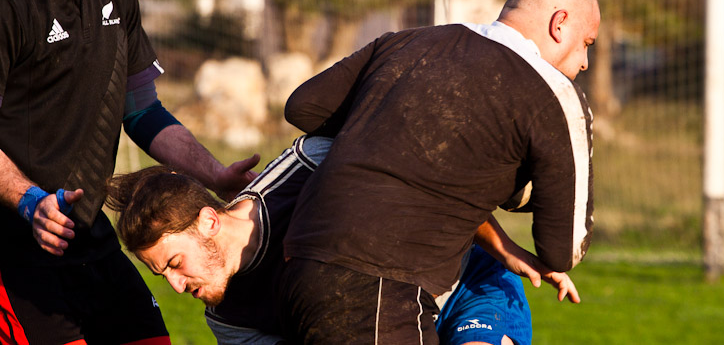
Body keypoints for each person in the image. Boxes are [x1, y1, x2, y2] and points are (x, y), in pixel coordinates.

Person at [0, 0, 258, 345]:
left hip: (91, 240)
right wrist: (29, 201)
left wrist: (215, 172)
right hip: (16, 251)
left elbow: (141, 110)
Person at [279, 0, 600, 343]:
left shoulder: (408, 40)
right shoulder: (554, 93)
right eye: (586, 44)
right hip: (380, 284)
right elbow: (564, 248)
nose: (583, 62)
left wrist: (384, 136)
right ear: (559, 22)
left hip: (297, 266)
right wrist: (516, 181)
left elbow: (304, 106)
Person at [105, 136, 579, 345]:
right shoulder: (228, 320)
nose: (175, 287)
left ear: (208, 221)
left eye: (174, 263)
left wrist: (506, 248)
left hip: (468, 290)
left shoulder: (306, 169)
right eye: (159, 274)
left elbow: (427, 175)